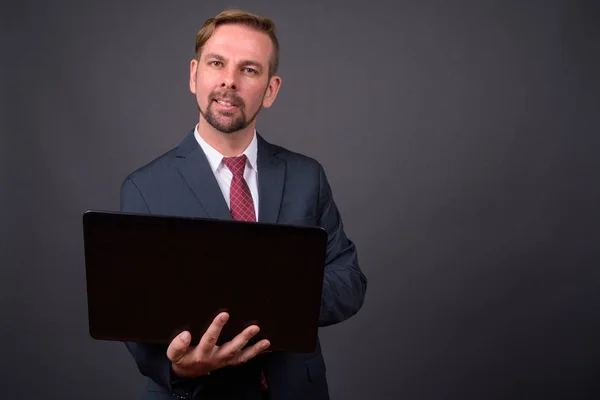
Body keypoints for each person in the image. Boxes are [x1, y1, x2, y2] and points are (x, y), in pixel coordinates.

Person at [120, 8, 367, 400]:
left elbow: (349, 281)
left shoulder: (307, 177)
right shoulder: (144, 187)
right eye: (217, 63)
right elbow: (131, 313)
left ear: (270, 89)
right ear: (194, 75)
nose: (228, 81)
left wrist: (269, 302)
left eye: (249, 69)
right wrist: (176, 367)